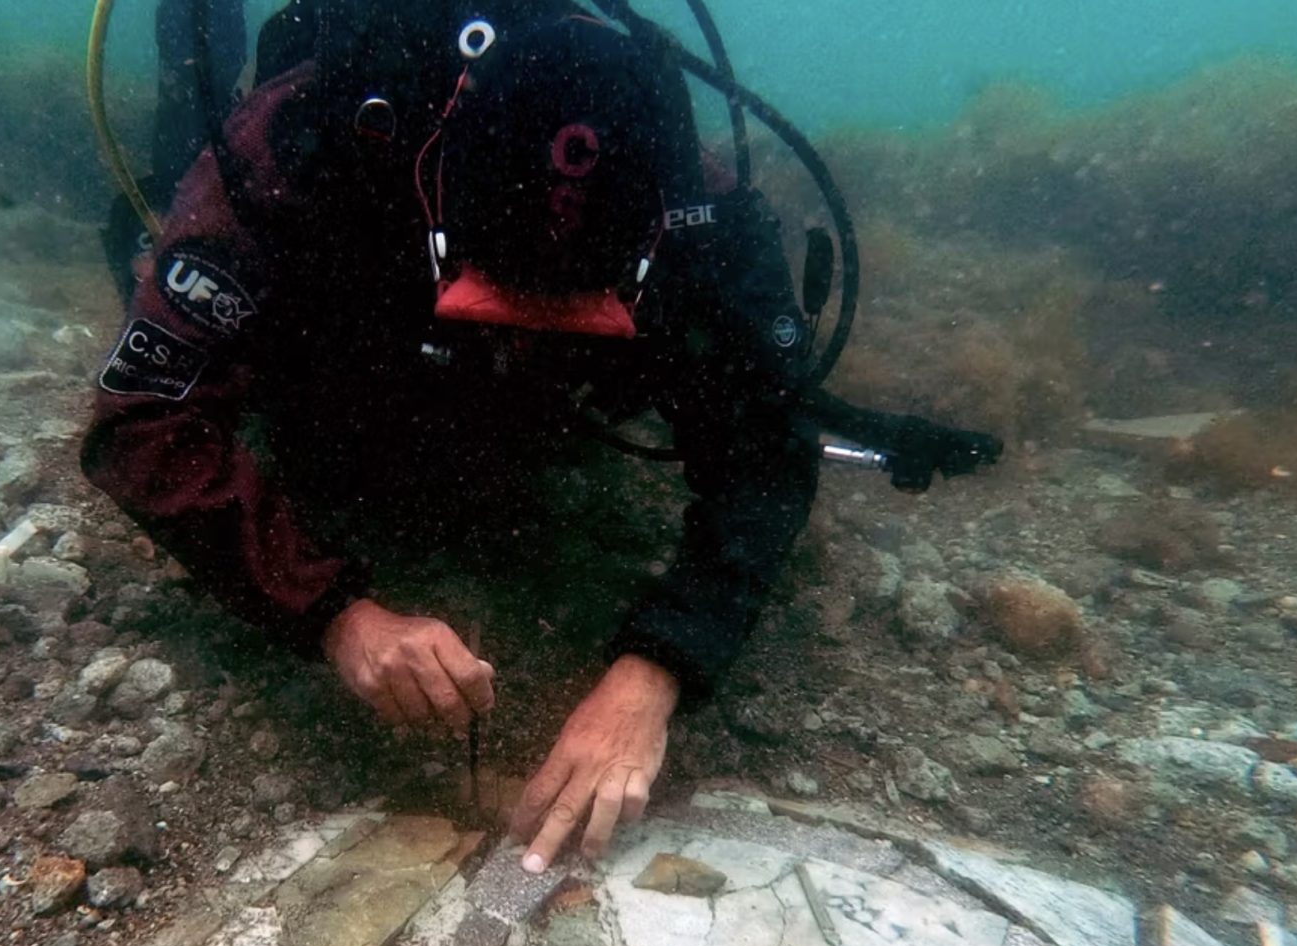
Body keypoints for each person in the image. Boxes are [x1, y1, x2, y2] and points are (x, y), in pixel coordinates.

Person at [84, 4, 825, 875]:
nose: (518, 339)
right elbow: (140, 417)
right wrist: (335, 614)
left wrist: (654, 672)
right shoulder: (299, 141)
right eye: (499, 302)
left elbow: (769, 448)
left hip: (533, 418)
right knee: (180, 168)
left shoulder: (688, 195)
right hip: (335, 365)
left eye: (570, 316)